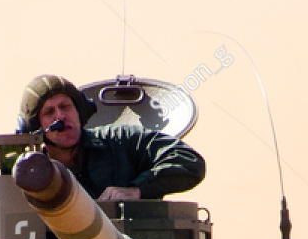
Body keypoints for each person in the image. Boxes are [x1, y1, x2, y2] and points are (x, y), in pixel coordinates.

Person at [16, 74, 205, 201]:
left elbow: (189, 161)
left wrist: (137, 190)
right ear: (36, 127)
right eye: (49, 112)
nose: (60, 116)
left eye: (65, 107)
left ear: (80, 111)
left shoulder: (121, 140)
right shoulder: (34, 177)